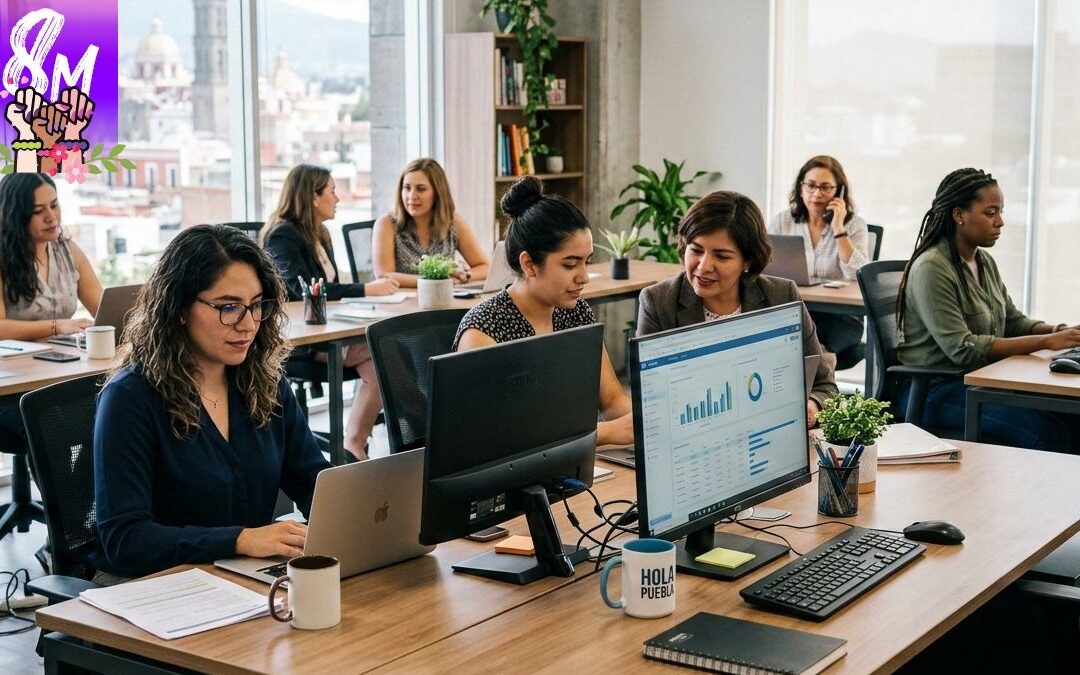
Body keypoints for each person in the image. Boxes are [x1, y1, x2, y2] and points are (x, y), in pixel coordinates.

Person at [93, 225, 332, 580]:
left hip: (243, 575)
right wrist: (239, 540)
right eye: (229, 307)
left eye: (256, 306)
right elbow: (126, 540)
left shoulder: (264, 382)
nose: (248, 324)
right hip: (158, 586)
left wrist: (352, 522)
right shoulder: (130, 398)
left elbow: (313, 480)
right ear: (179, 309)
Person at [897, 168, 1080, 452]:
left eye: (1000, 212)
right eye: (990, 212)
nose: (1000, 222)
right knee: (1048, 434)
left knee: (1072, 419)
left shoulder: (983, 262)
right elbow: (962, 349)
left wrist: (1058, 331)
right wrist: (1045, 342)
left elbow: (1012, 321)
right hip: (935, 389)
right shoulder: (932, 267)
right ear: (959, 215)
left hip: (980, 383)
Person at [453, 176, 633, 446]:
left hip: (566, 465)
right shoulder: (483, 332)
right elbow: (498, 440)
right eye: (570, 265)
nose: (584, 276)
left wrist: (652, 422)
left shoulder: (575, 312)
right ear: (529, 264)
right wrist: (603, 433)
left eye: (587, 262)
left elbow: (611, 399)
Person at [639, 190, 837, 428]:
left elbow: (824, 386)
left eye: (721, 257)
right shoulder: (660, 301)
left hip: (767, 433)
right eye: (696, 250)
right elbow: (650, 399)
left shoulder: (781, 296)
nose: (703, 267)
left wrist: (812, 406)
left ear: (748, 262)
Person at [262, 164, 398, 460]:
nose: (337, 198)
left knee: (381, 359)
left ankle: (354, 440)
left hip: (330, 327)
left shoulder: (319, 234)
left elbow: (327, 288)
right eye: (332, 191)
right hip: (304, 342)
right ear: (313, 197)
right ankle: (353, 441)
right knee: (383, 352)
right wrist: (366, 289)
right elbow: (302, 292)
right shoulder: (282, 236)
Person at [0, 172, 102, 441]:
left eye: (54, 205)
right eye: (38, 211)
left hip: (58, 373)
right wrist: (58, 326)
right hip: (11, 387)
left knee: (107, 414)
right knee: (56, 422)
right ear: (15, 215)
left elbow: (103, 308)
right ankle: (72, 484)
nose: (51, 217)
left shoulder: (68, 250)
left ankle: (88, 484)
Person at [769, 155, 869, 370]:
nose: (817, 194)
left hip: (839, 315)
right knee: (796, 323)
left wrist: (838, 229)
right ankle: (823, 358)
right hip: (798, 307)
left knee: (840, 327)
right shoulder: (782, 221)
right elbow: (766, 266)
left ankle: (821, 360)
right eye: (811, 186)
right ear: (800, 187)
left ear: (839, 191)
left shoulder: (855, 225)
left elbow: (858, 274)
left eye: (826, 187)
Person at [373, 158, 489, 288]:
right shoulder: (386, 224)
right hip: (403, 304)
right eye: (407, 188)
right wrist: (438, 280)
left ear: (438, 193)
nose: (411, 196)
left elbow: (484, 267)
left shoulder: (453, 222)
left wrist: (463, 276)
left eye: (420, 189)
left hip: (442, 301)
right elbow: (385, 275)